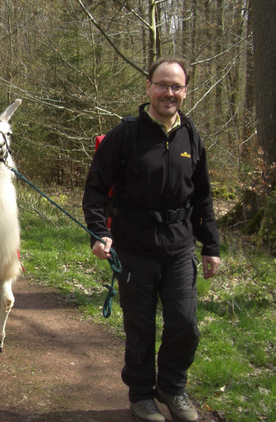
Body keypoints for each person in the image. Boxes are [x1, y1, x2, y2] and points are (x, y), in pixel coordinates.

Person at [82, 57, 221, 422]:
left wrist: (212, 246)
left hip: (179, 248)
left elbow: (203, 196)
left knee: (185, 324)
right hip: (134, 248)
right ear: (148, 87)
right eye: (162, 84)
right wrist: (100, 233)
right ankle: (141, 394)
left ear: (185, 91)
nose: (169, 93)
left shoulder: (191, 135)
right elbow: (95, 190)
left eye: (176, 86)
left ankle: (172, 387)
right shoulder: (125, 135)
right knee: (140, 327)